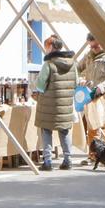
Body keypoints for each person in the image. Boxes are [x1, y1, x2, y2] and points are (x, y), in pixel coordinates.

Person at [31, 32, 78, 170]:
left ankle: (48, 162)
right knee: (64, 131)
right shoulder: (73, 64)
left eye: (46, 47)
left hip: (48, 105)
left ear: (51, 47)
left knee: (46, 130)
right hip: (65, 104)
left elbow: (40, 85)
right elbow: (75, 83)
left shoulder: (49, 64)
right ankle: (68, 160)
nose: (45, 49)